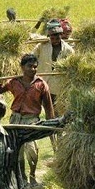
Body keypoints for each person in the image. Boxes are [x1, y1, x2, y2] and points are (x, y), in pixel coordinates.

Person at [0, 54, 55, 189]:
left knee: (32, 150)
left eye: (35, 67)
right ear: (22, 67)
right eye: (30, 66)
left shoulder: (41, 84)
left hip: (31, 120)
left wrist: (51, 124)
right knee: (17, 150)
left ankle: (33, 177)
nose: (33, 69)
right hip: (16, 119)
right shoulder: (14, 82)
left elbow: (48, 106)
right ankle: (22, 179)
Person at [32, 20, 74, 151]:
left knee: (56, 115)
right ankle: (53, 142)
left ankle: (59, 144)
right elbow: (32, 58)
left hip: (58, 88)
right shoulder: (42, 46)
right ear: (48, 36)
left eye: (57, 36)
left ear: (61, 35)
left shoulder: (68, 50)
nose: (55, 39)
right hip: (42, 85)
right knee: (46, 115)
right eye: (52, 37)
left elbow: (72, 69)